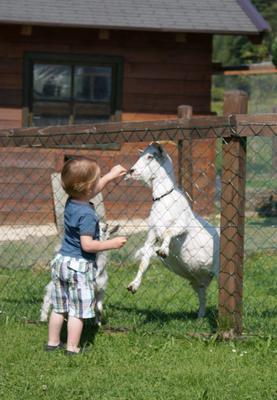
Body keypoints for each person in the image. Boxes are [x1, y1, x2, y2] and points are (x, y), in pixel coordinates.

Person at [45, 156, 127, 355]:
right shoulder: (88, 215)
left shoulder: (71, 202)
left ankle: (52, 343)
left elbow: (93, 188)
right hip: (78, 267)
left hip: (61, 262)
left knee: (59, 307)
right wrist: (112, 244)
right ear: (87, 188)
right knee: (77, 311)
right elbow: (87, 245)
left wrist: (110, 176)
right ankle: (73, 348)